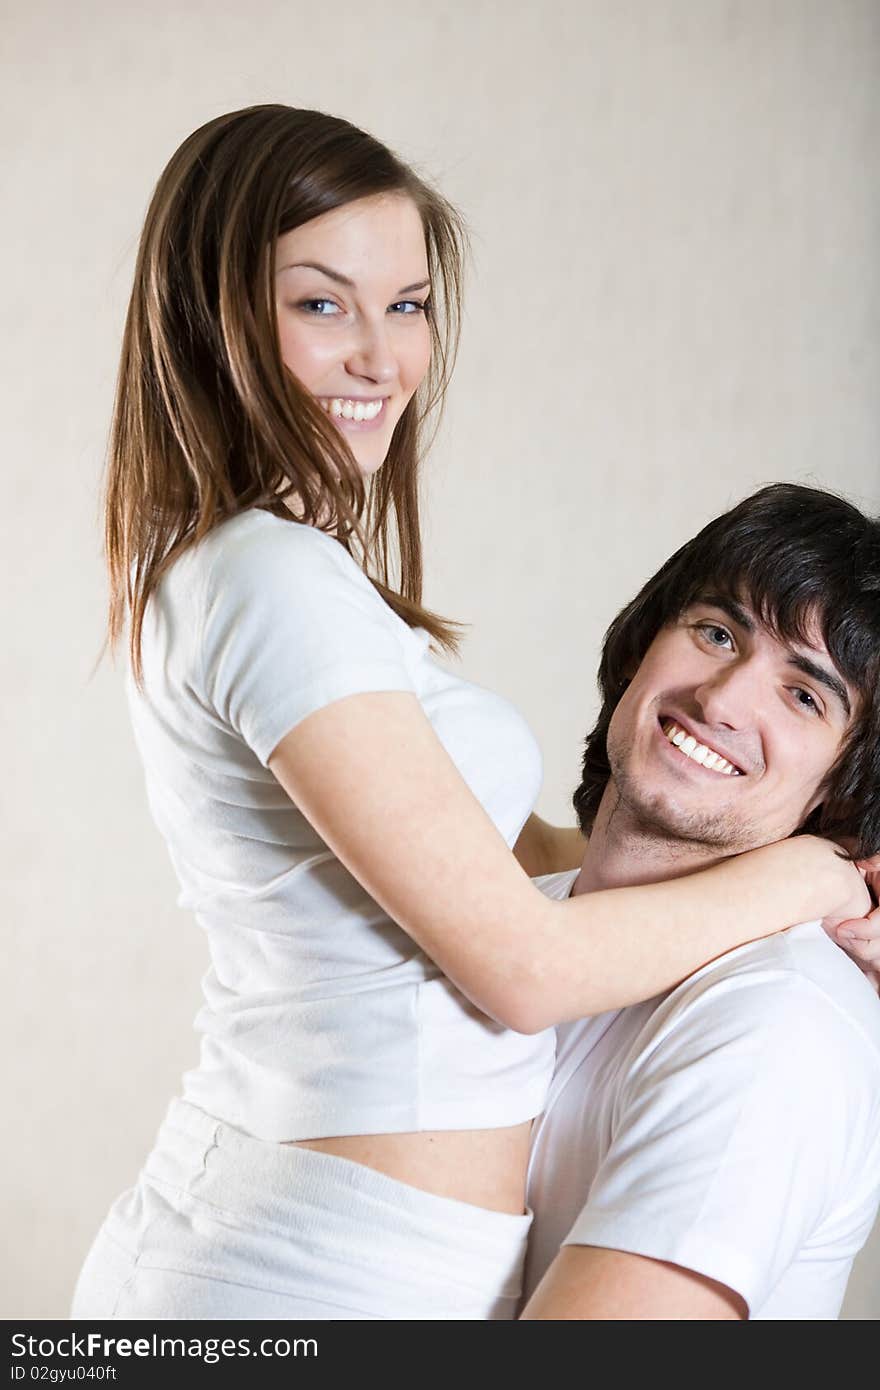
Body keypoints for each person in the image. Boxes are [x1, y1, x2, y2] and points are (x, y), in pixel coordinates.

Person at [71, 105, 874, 1321]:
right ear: (215, 312)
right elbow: (519, 963)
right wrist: (823, 876)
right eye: (321, 302)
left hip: (332, 1244)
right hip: (312, 1268)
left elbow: (491, 859)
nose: (380, 358)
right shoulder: (267, 577)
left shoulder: (272, 572)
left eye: (407, 305)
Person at [520, 483, 880, 1321]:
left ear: (844, 785)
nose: (720, 701)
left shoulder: (777, 1021)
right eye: (716, 633)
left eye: (804, 695)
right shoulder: (512, 919)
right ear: (643, 643)